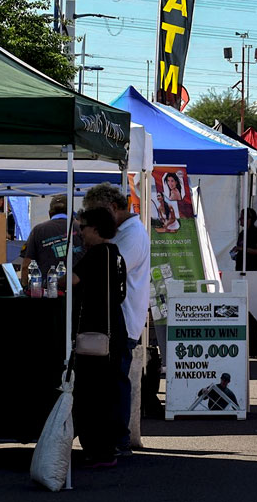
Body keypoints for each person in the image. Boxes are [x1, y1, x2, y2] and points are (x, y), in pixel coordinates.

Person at [83, 183, 151, 457]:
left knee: (117, 381)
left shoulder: (131, 235)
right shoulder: (127, 233)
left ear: (111, 209)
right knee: (115, 380)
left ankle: (120, 440)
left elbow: (109, 269)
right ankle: (116, 438)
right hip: (120, 318)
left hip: (123, 319)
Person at [71, 207, 129, 468]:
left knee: (92, 394)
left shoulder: (96, 254)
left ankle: (100, 451)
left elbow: (71, 280)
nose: (80, 233)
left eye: (83, 227)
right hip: (114, 328)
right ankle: (106, 448)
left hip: (97, 332)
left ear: (95, 228)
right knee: (107, 392)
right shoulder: (115, 254)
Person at [20, 194, 79, 285]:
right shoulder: (82, 228)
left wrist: (24, 287)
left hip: (49, 291)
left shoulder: (38, 230)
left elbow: (25, 266)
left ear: (50, 213)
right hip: (79, 291)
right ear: (70, 212)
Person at [232, 208, 257, 272]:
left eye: (242, 218)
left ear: (249, 219)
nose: (240, 219)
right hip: (240, 268)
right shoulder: (242, 233)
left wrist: (242, 249)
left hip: (252, 269)